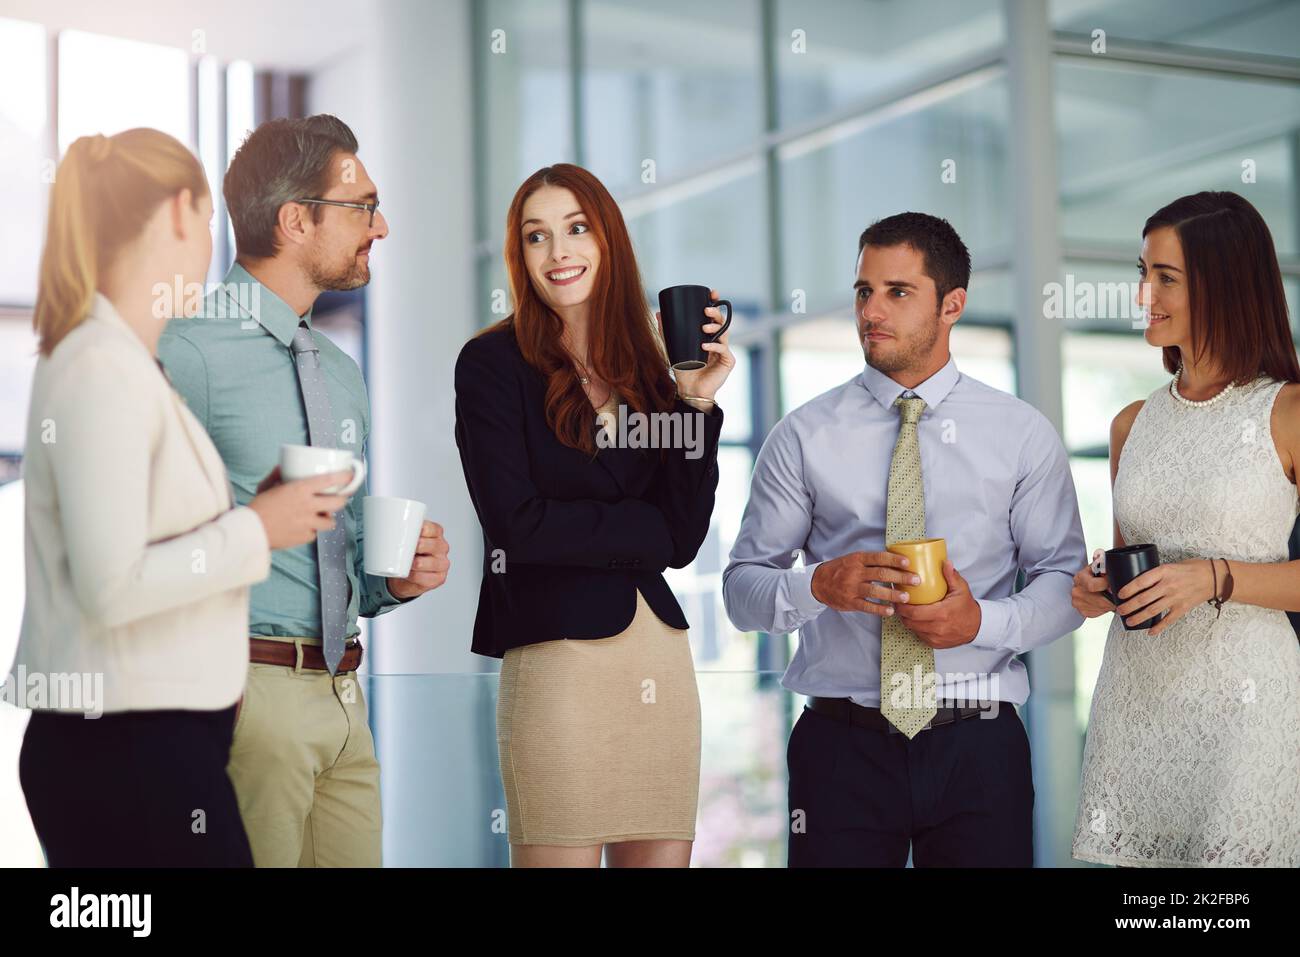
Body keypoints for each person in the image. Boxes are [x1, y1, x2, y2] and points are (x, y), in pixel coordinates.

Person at [13, 128, 347, 866]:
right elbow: (111, 586)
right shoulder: (100, 366)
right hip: (130, 747)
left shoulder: (120, 361)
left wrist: (244, 517)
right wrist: (257, 528)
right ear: (175, 213)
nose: (211, 248)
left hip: (145, 744)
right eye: (206, 222)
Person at [724, 212, 1086, 867]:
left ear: (953, 304)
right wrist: (817, 584)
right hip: (840, 749)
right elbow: (742, 589)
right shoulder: (803, 434)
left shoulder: (1021, 434)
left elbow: (1067, 586)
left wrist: (982, 619)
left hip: (980, 748)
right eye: (864, 291)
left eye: (897, 291)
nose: (871, 310)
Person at [158, 115, 451, 868]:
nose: (380, 227)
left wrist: (391, 580)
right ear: (295, 220)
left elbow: (340, 538)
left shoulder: (338, 368)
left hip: (347, 698)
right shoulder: (182, 350)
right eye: (362, 207)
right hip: (246, 696)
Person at [454, 163, 732, 867]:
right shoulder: (491, 364)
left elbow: (684, 534)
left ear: (607, 239)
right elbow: (517, 525)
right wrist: (643, 532)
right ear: (521, 257)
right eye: (537, 236)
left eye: (576, 228)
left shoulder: (650, 363)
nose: (559, 252)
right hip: (557, 668)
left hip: (658, 662)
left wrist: (694, 402)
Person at [1070, 191, 1300, 868]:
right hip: (1137, 704)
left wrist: (1214, 577)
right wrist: (1093, 591)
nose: (1144, 293)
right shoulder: (1130, 423)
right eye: (1143, 271)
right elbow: (1122, 564)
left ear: (1224, 283)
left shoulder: (1286, 411)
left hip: (1247, 710)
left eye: (1165, 277)